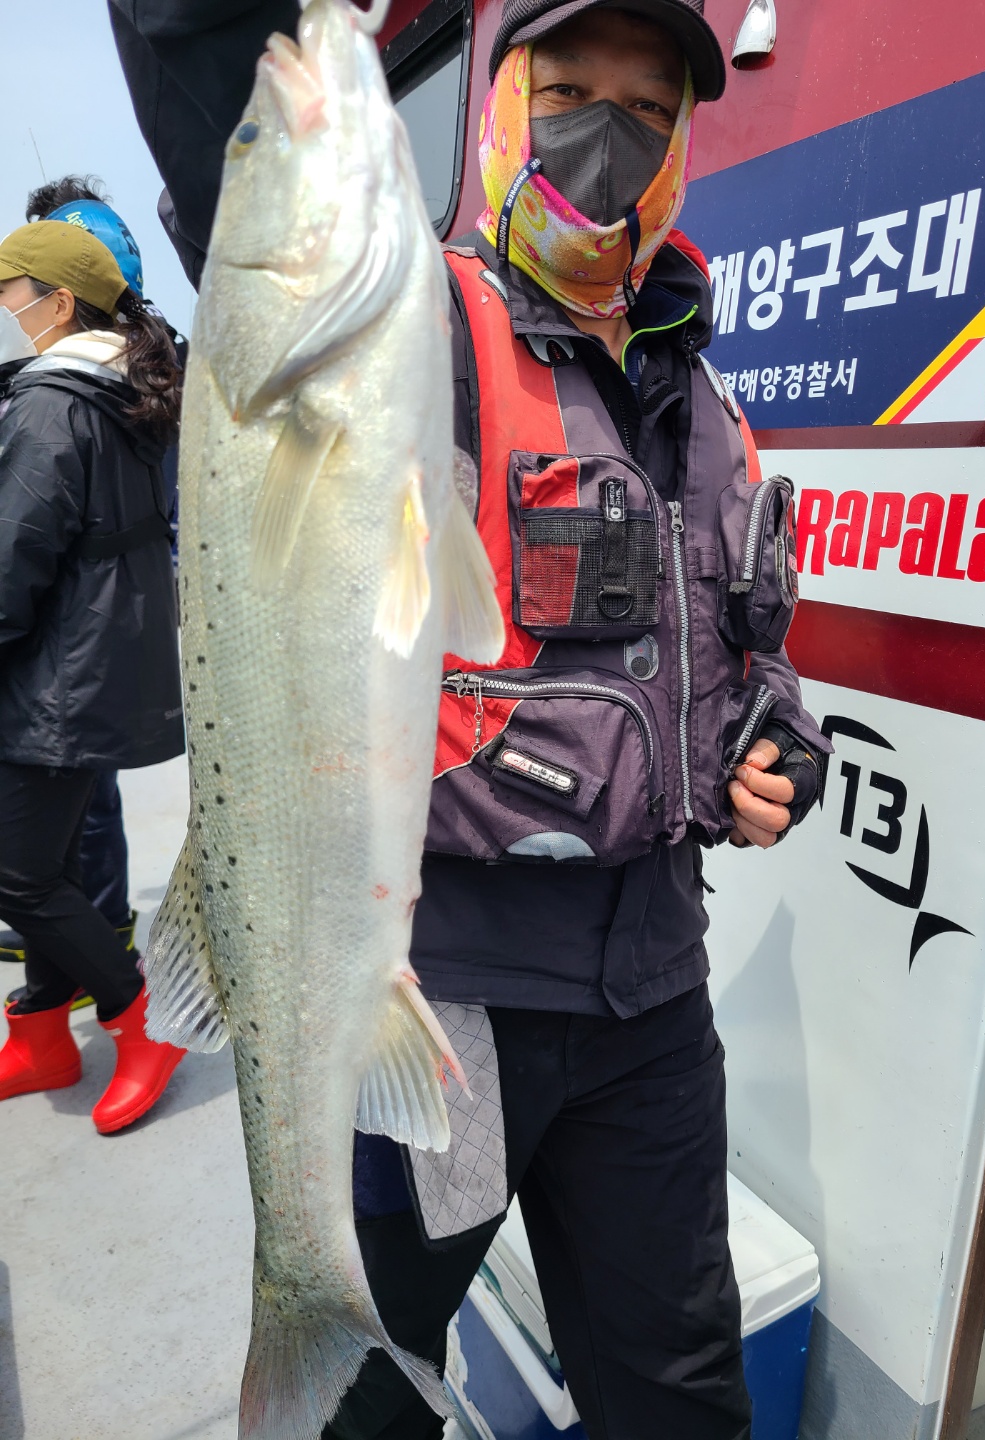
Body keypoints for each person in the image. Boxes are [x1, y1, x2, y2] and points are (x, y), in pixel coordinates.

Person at [111, 0, 830, 1433]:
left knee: (679, 1395)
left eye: (649, 110)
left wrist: (778, 739)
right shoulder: (410, 325)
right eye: (568, 91)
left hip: (651, 1001)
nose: (607, 136)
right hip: (440, 993)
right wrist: (256, 61)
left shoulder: (702, 392)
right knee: (371, 1404)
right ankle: (308, 1319)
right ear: (499, 108)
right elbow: (244, 204)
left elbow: (746, 645)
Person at [0, 220, 186, 1134]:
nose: (5, 311)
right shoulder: (128, 388)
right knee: (52, 860)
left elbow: (13, 555)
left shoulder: (50, 404)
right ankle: (43, 1034)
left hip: (54, 678)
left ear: (57, 302)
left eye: (8, 293)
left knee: (18, 877)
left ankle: (137, 1016)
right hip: (98, 663)